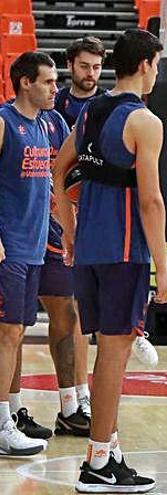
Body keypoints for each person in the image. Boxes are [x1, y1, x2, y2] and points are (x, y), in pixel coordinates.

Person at [53, 28, 167, 493]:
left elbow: (59, 172)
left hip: (89, 253)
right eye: (158, 66)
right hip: (124, 253)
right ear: (144, 65)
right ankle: (98, 462)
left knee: (108, 353)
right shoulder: (144, 121)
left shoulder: (87, 113)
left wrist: (68, 231)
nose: (158, 74)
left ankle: (111, 450)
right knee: (113, 358)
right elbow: (151, 203)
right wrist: (163, 266)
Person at [0, 51, 56, 456]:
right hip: (9, 246)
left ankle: (10, 415)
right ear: (25, 83)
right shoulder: (4, 123)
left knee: (15, 336)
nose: (56, 88)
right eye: (48, 81)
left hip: (34, 245)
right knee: (6, 335)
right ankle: (1, 425)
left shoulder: (47, 126)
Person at [54, 36, 109, 128]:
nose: (91, 73)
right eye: (84, 66)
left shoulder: (110, 103)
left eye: (96, 67)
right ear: (70, 65)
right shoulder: (54, 101)